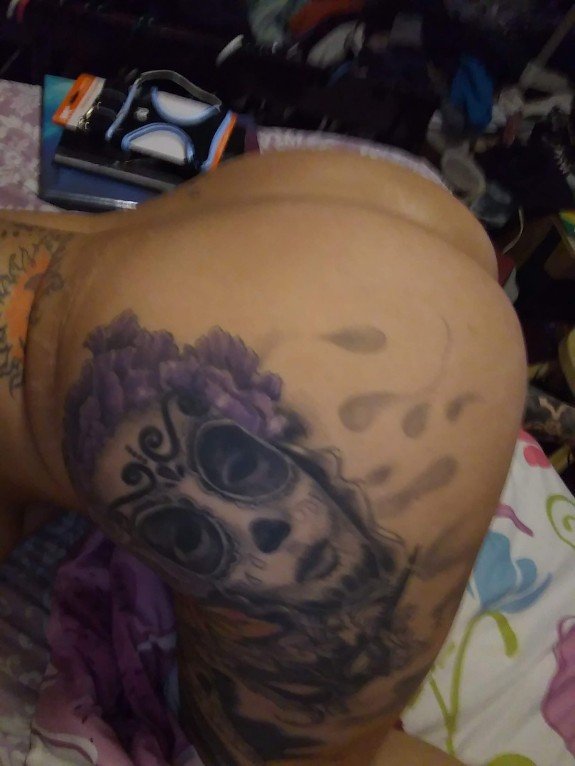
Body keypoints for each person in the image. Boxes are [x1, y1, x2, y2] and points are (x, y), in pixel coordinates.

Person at [0, 150, 526, 765]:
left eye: (239, 466)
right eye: (189, 534)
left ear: (283, 433)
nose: (264, 528)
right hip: (340, 208)